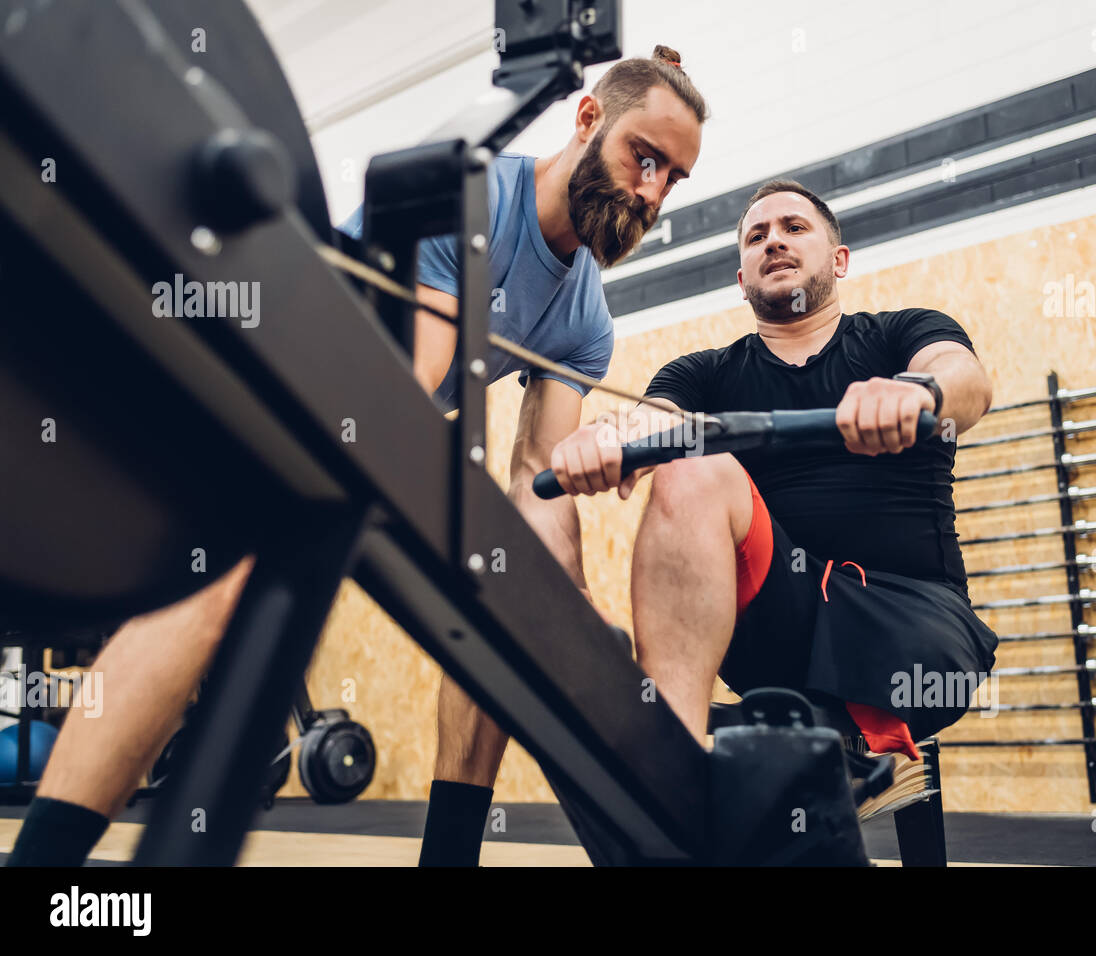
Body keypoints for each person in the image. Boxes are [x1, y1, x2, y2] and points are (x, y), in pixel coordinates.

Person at [5, 45, 707, 868]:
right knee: (224, 581)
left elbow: (538, 483)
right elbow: (405, 400)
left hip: (344, 426)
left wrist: (568, 623)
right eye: (644, 157)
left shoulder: (585, 322)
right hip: (242, 374)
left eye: (673, 178)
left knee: (515, 611)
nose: (652, 191)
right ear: (588, 118)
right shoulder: (471, 201)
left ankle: (448, 857)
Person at [548, 179, 999, 758]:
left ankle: (840, 731)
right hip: (770, 635)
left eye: (793, 228)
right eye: (756, 236)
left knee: (697, 460)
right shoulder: (704, 373)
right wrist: (607, 437)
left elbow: (967, 381)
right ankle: (666, 764)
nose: (773, 242)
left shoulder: (900, 335)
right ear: (742, 281)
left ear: (838, 260)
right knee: (689, 467)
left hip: (913, 634)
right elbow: (649, 422)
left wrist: (915, 391)